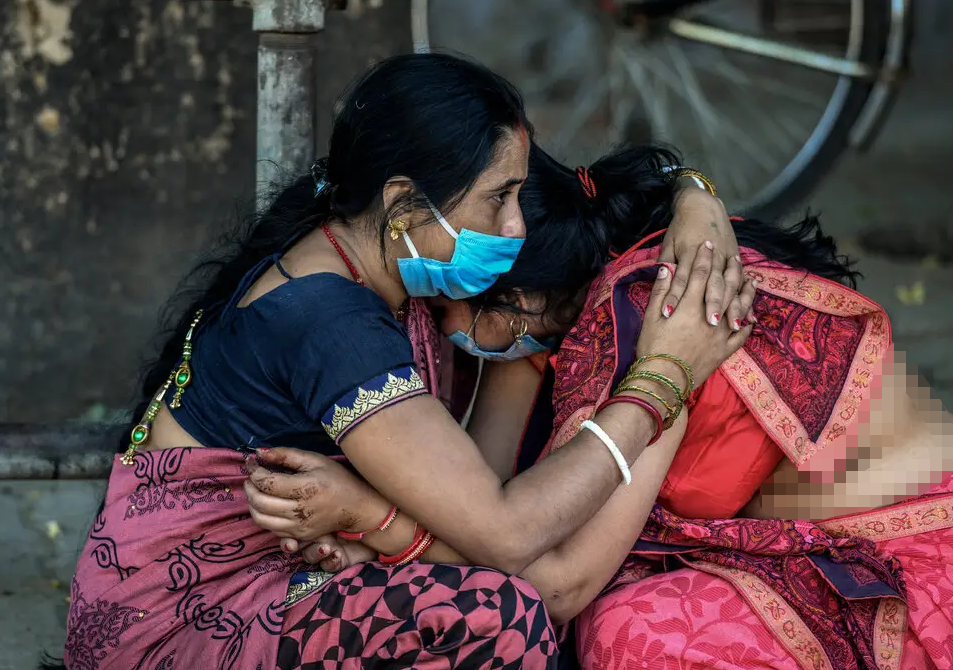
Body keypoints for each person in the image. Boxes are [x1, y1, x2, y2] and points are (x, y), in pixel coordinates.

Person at [56, 54, 752, 670]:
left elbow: (478, 502)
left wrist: (692, 191)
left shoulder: (394, 270)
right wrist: (663, 379)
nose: (515, 225)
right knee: (499, 619)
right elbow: (506, 538)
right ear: (402, 204)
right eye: (498, 199)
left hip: (260, 581)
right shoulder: (331, 320)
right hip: (173, 630)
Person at [250, 142, 952, 670]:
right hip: (800, 544)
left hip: (902, 560)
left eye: (447, 308)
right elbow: (486, 503)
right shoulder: (549, 313)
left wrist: (367, 518)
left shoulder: (654, 312)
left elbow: (556, 583)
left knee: (624, 629)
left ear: (518, 296)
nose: (437, 327)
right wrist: (692, 189)